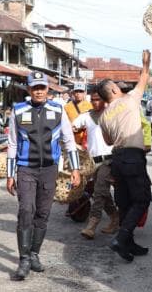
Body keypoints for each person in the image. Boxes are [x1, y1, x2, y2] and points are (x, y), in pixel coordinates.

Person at [6, 71, 81, 281]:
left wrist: (75, 169)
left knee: (43, 213)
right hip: (25, 168)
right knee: (26, 210)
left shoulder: (58, 110)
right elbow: (13, 143)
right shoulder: (18, 110)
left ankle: (34, 254)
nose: (39, 91)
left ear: (48, 89)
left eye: (42, 87)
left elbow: (68, 140)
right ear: (29, 90)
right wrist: (10, 174)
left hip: (49, 169)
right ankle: (23, 259)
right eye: (35, 88)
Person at [97, 51, 152, 262]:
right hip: (132, 158)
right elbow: (144, 78)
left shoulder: (103, 116)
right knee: (142, 199)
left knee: (126, 203)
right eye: (116, 85)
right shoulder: (129, 100)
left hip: (117, 160)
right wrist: (145, 65)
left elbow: (109, 141)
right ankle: (121, 238)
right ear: (113, 89)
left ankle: (128, 243)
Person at [73, 89, 119, 240]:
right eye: (92, 99)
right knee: (101, 191)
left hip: (110, 159)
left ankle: (92, 224)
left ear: (105, 100)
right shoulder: (86, 116)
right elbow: (72, 128)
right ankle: (114, 217)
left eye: (98, 99)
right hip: (93, 161)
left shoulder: (112, 114)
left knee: (99, 190)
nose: (95, 102)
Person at [64, 82, 94, 216]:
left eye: (81, 91)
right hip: (71, 145)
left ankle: (85, 200)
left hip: (87, 144)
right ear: (72, 93)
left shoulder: (90, 106)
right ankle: (71, 200)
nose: (78, 94)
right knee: (71, 172)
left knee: (87, 175)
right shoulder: (67, 107)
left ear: (85, 93)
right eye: (76, 91)